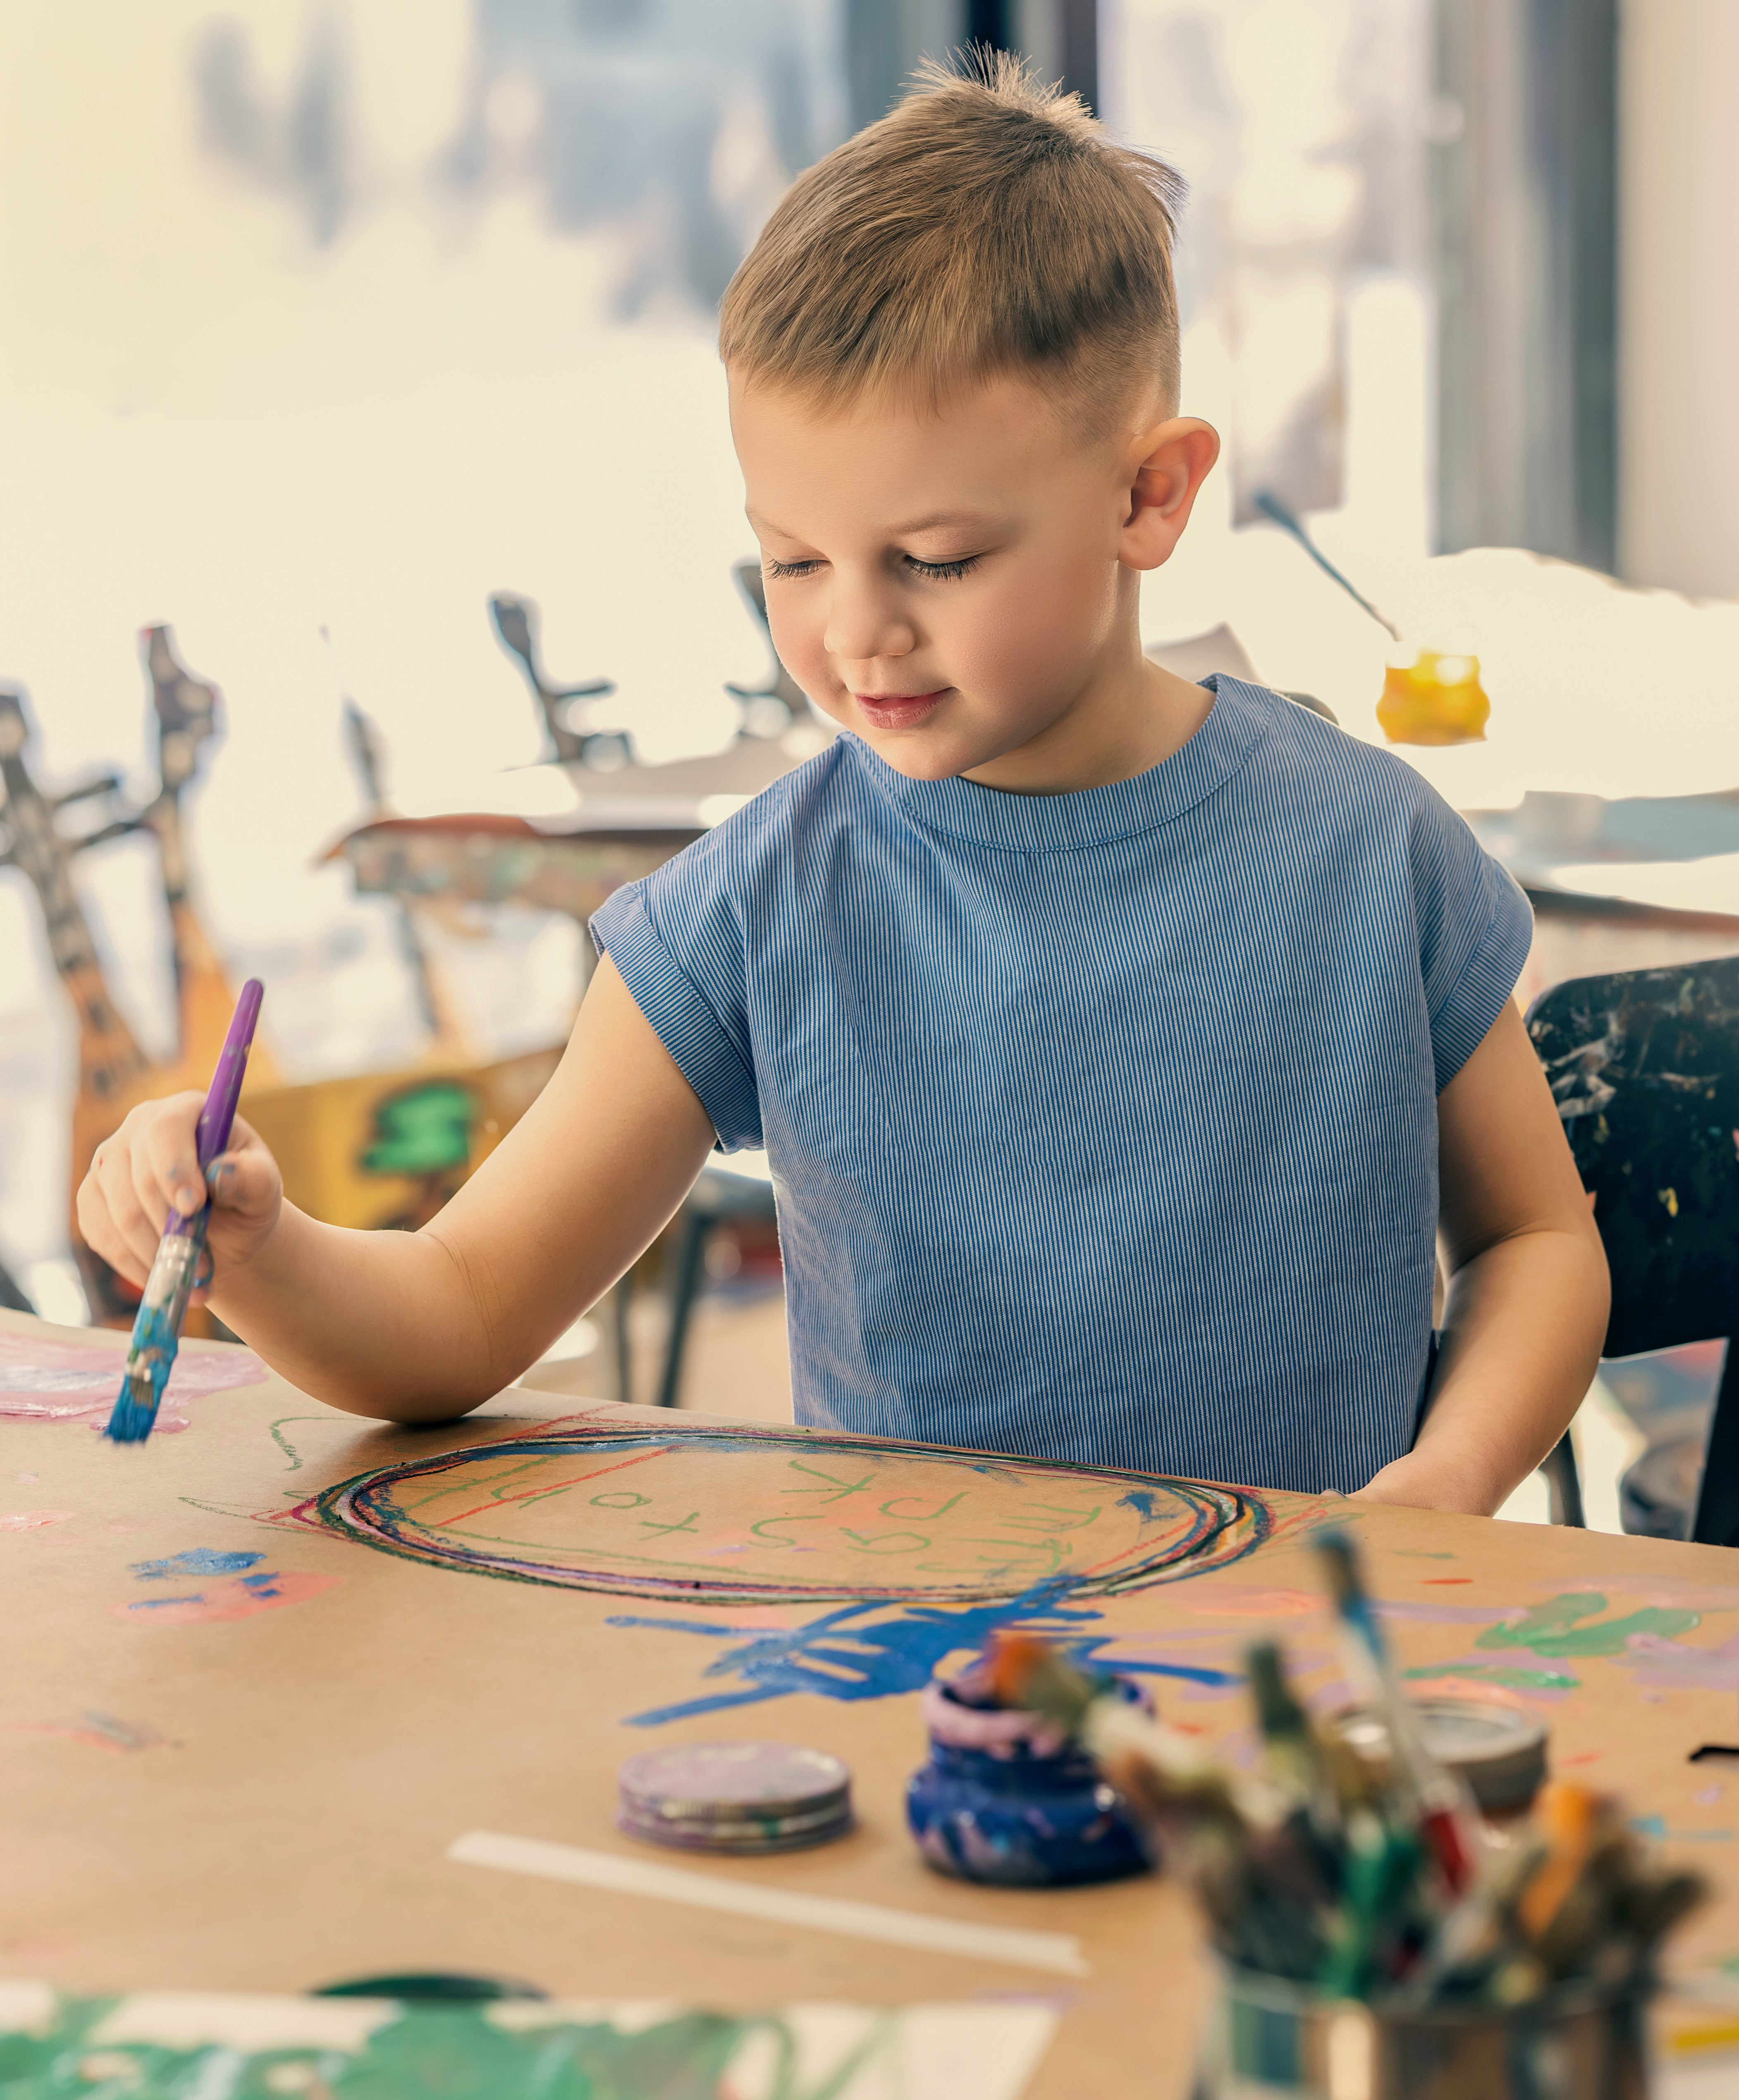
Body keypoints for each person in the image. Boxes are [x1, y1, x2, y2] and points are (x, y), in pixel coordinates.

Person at [77, 58, 1607, 1512]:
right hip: (917, 1696)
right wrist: (262, 1251)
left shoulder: (1363, 846)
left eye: (935, 561)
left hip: (1308, 1679)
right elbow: (465, 1313)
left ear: (1152, 493)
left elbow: (1537, 1239)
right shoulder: (760, 902)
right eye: (791, 560)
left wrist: (1443, 1489)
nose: (855, 632)